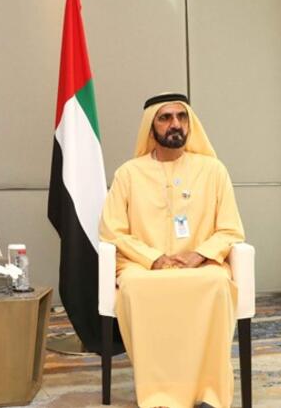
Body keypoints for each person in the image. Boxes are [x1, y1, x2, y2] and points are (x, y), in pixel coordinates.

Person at [99, 93, 245, 408]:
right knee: (135, 286)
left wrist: (199, 254)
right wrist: (153, 259)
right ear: (150, 127)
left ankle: (210, 394)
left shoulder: (213, 170)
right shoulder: (129, 173)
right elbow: (112, 230)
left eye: (181, 117)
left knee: (216, 283)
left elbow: (230, 229)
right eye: (165, 118)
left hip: (201, 265)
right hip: (143, 266)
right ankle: (159, 396)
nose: (175, 124)